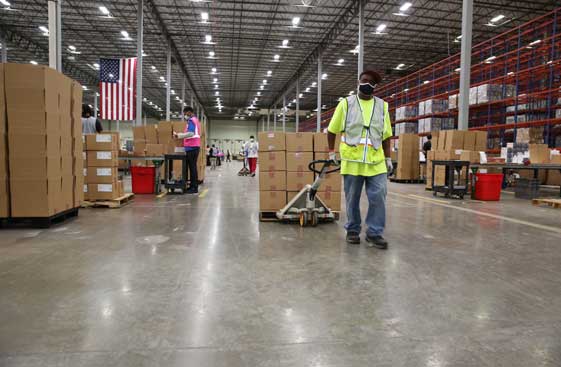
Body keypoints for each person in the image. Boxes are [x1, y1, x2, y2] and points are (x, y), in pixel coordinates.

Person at [327, 70, 393, 249]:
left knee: (378, 196)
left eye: (372, 82)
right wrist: (332, 152)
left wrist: (388, 158)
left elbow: (386, 135)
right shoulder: (346, 104)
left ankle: (374, 232)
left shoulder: (382, 106)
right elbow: (332, 130)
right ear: (358, 81)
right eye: (365, 80)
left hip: (376, 161)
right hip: (353, 161)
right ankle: (353, 230)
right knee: (352, 199)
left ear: (375, 87)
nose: (368, 84)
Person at [173, 106, 201, 194]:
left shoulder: (191, 120)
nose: (185, 115)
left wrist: (179, 135)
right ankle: (192, 186)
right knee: (192, 167)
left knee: (192, 168)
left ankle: (194, 188)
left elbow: (191, 133)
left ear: (189, 112)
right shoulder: (195, 120)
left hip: (192, 147)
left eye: (185, 114)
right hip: (193, 147)